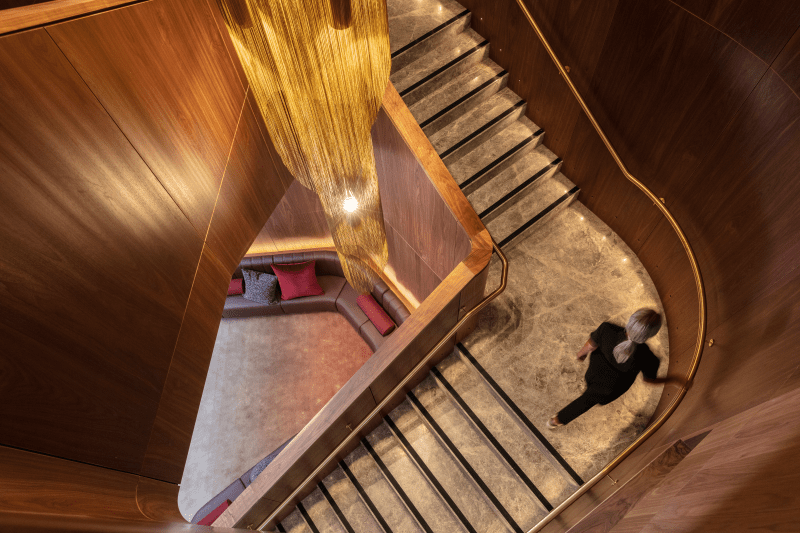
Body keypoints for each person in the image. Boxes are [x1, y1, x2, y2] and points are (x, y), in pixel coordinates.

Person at [547, 308, 672, 428]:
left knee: (588, 396)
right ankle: (556, 421)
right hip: (611, 388)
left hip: (594, 372)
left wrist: (581, 355)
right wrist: (674, 380)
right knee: (586, 401)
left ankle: (557, 420)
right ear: (651, 334)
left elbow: (590, 346)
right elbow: (649, 380)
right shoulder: (648, 357)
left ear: (631, 320)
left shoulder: (607, 328)